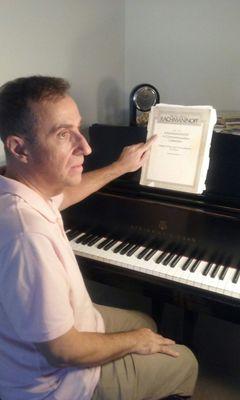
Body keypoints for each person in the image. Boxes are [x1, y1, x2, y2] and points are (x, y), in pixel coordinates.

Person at [0, 76, 198, 400]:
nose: (87, 147)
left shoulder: (18, 189)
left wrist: (120, 166)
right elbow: (64, 350)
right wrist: (136, 341)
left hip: (67, 331)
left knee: (146, 320)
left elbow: (64, 196)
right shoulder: (27, 238)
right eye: (64, 134)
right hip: (63, 383)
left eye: (79, 128)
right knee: (185, 362)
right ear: (19, 147)